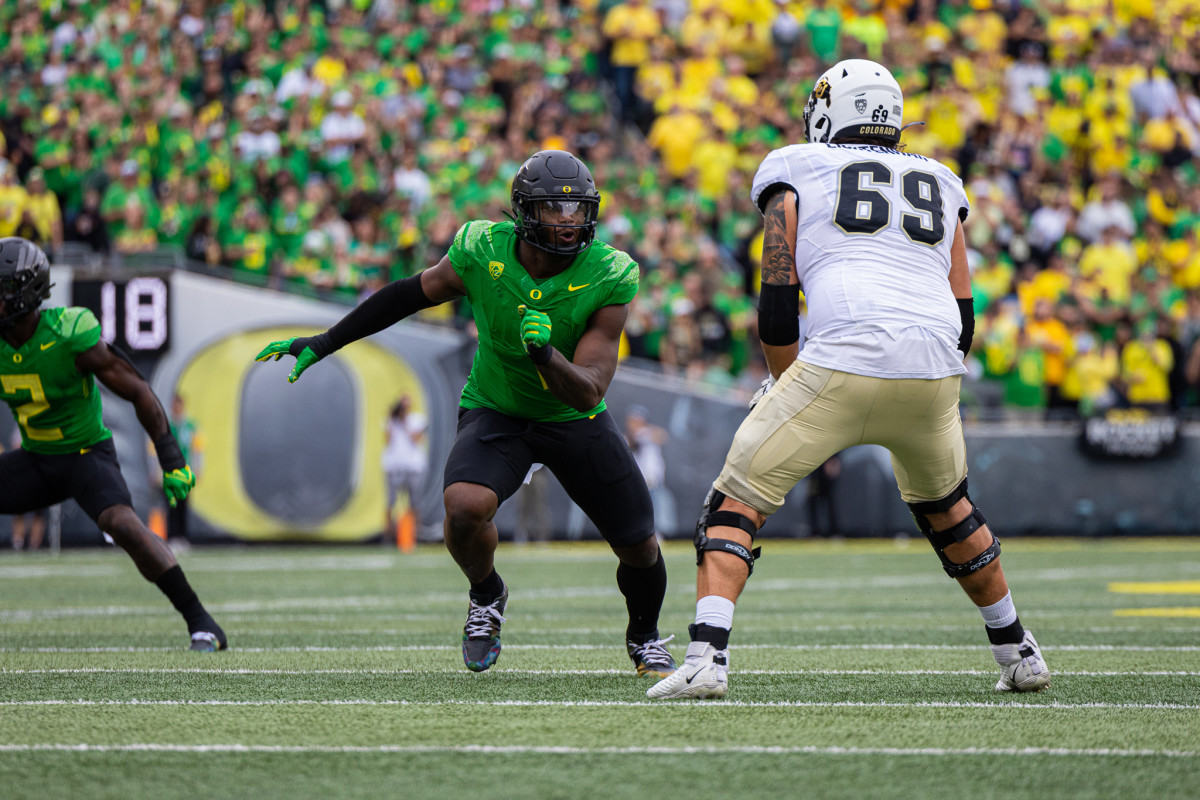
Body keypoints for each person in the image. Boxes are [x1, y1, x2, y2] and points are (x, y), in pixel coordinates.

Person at [648, 60, 1050, 700]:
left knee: (735, 502)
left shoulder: (796, 166)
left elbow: (777, 296)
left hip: (842, 358)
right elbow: (964, 308)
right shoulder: (942, 179)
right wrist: (937, 379)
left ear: (830, 111)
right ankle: (1018, 650)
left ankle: (705, 659)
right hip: (936, 365)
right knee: (950, 510)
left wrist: (784, 380)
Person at [256, 150, 676, 678]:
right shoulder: (482, 250)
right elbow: (410, 294)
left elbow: (589, 392)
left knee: (638, 542)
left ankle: (644, 635)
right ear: (524, 212)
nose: (569, 224)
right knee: (463, 507)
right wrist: (327, 341)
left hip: (571, 417)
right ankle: (486, 594)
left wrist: (547, 356)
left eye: (577, 212)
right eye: (554, 210)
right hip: (497, 407)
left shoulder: (609, 273)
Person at [0, 237, 226, 651]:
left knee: (123, 526)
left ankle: (201, 620)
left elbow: (138, 389)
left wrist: (171, 455)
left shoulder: (69, 336)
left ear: (25, 293)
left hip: (86, 456)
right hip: (35, 459)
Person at [382, 395, 429, 544]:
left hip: (413, 466)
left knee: (415, 502)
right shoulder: (390, 421)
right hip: (393, 465)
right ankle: (389, 536)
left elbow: (417, 439)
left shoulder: (416, 420)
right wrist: (392, 419)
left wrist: (404, 423)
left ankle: (416, 535)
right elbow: (388, 441)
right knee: (390, 503)